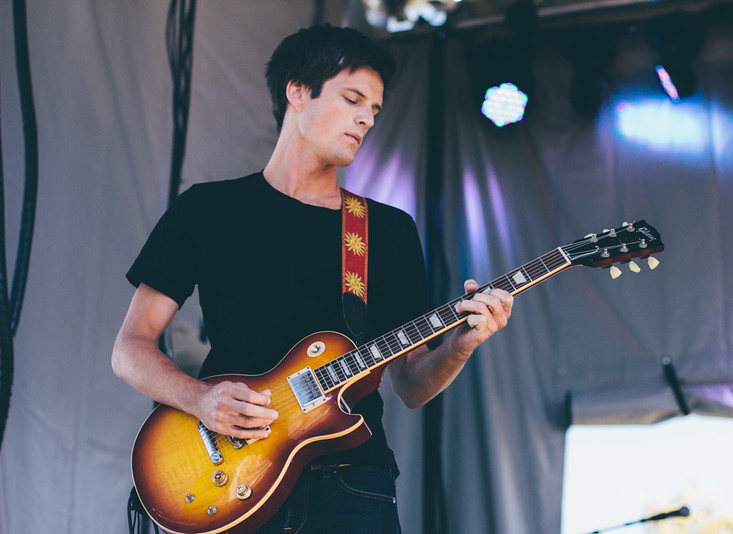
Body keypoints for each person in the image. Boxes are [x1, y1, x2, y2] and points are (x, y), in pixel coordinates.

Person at [112, 24, 513, 534]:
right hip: (229, 474)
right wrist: (200, 400)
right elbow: (130, 348)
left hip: (351, 486)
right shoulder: (207, 210)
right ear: (298, 92)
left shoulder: (384, 230)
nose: (367, 118)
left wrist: (459, 346)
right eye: (353, 99)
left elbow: (411, 384)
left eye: (375, 110)